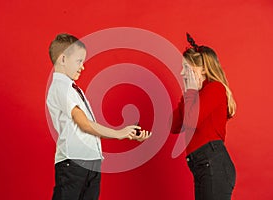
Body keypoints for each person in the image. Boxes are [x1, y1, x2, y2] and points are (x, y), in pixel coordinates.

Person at [46, 33, 151, 200]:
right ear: (63, 59)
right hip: (74, 162)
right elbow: (84, 124)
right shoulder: (61, 86)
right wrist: (119, 133)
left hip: (90, 161)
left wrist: (127, 134)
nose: (83, 67)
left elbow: (87, 128)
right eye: (79, 61)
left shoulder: (72, 88)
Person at [171, 33, 236, 200]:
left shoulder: (215, 89)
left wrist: (191, 92)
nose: (181, 72)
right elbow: (174, 126)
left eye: (186, 68)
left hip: (213, 165)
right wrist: (188, 92)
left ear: (203, 69)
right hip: (201, 166)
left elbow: (192, 122)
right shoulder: (195, 95)